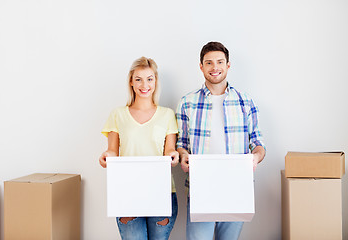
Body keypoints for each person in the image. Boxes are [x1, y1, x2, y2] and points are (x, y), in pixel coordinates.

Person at [176, 41, 266, 240]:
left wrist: (256, 157)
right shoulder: (187, 102)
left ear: (228, 65)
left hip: (236, 187)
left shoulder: (245, 101)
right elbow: (181, 144)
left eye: (219, 62)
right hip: (201, 187)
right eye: (209, 63)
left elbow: (258, 143)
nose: (214, 67)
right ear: (201, 67)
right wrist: (183, 157)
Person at [99, 57, 179, 240]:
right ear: (131, 82)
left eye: (150, 79)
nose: (145, 85)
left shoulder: (167, 115)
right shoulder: (118, 114)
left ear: (156, 81)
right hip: (128, 192)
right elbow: (112, 151)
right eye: (138, 79)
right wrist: (106, 156)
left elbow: (170, 150)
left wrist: (173, 156)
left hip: (162, 191)